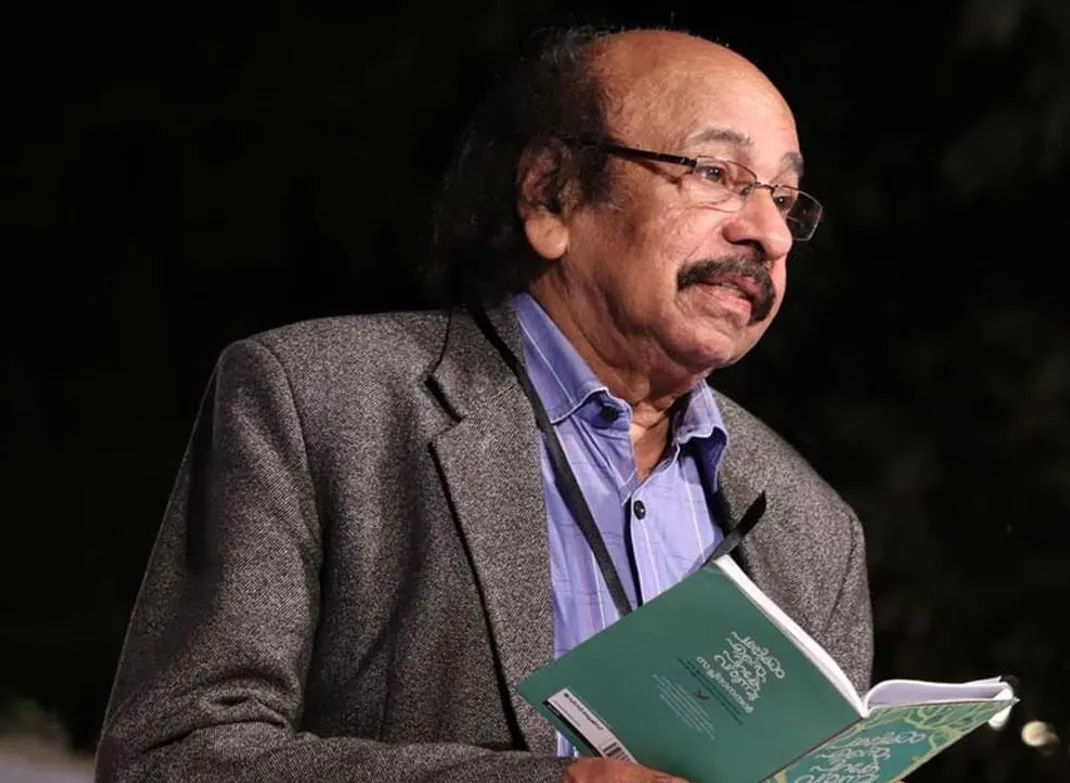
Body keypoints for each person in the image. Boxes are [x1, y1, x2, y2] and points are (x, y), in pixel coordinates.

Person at [95, 25, 873, 783]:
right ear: (551, 195)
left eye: (784, 198)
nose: (770, 234)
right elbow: (173, 757)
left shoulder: (815, 529)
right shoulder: (317, 401)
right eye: (713, 173)